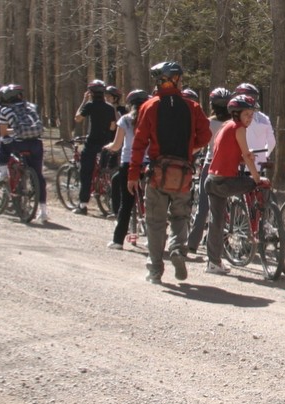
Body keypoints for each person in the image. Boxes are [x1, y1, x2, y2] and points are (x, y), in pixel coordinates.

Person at [127, 61, 212, 284]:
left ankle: (155, 270)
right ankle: (177, 248)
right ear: (174, 79)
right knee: (180, 216)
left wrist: (133, 174)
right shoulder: (192, 106)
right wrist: (189, 148)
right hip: (183, 174)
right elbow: (205, 137)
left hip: (157, 173)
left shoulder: (149, 106)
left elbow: (138, 143)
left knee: (155, 222)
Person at [203, 94, 268, 275]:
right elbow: (247, 157)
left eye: (251, 114)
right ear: (236, 113)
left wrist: (240, 158)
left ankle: (213, 262)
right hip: (225, 182)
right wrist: (256, 178)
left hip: (212, 180)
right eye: (247, 114)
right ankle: (258, 222)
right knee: (259, 185)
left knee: (216, 222)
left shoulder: (226, 126)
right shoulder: (239, 128)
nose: (249, 118)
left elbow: (226, 153)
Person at [186, 87, 235, 253]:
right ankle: (224, 243)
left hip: (210, 166)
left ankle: (192, 242)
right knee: (226, 208)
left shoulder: (208, 123)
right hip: (230, 167)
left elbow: (198, 144)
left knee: (203, 207)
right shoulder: (234, 125)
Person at [0, 84, 52, 222]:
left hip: (19, 143)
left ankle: (3, 171)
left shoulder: (5, 110)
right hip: (36, 143)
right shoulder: (31, 107)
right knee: (38, 175)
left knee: (2, 141)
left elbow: (3, 132)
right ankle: (43, 211)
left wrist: (13, 130)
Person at [105, 89, 149, 249]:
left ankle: (118, 240)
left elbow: (117, 145)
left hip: (128, 164)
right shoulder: (151, 119)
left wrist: (108, 147)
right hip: (148, 164)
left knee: (126, 203)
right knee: (150, 202)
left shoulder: (125, 120)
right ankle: (152, 239)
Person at [72, 79, 118, 215]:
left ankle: (83, 205)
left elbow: (78, 118)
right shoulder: (110, 107)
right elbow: (113, 126)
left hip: (92, 143)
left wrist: (84, 101)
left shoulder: (90, 105)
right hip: (106, 143)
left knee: (86, 173)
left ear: (91, 93)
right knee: (106, 168)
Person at [233, 83, 277, 168]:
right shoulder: (264, 118)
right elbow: (272, 142)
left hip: (238, 166)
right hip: (258, 166)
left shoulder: (236, 119)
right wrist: (265, 156)